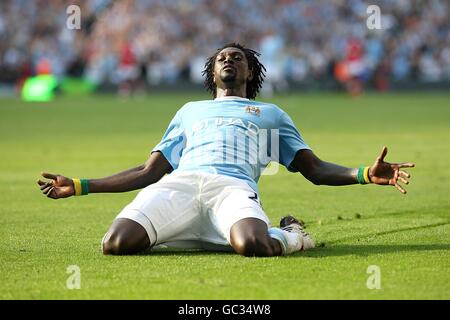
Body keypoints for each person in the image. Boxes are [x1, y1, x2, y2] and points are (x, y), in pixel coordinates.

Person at [37, 43, 415, 257]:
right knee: (115, 244)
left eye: (238, 57)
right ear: (212, 72)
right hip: (179, 187)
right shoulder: (189, 112)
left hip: (230, 190)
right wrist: (81, 185)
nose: (229, 60)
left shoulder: (270, 114)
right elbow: (148, 172)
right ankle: (195, 230)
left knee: (254, 244)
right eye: (222, 58)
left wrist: (364, 173)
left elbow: (312, 169)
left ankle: (293, 234)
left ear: (250, 72)